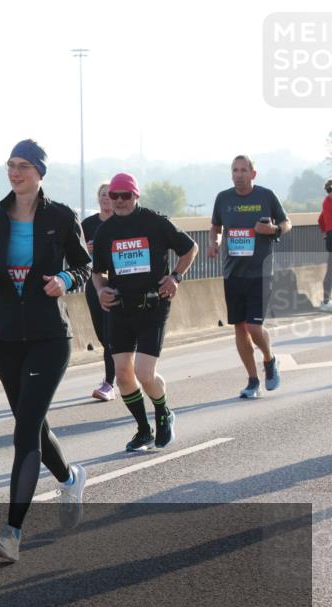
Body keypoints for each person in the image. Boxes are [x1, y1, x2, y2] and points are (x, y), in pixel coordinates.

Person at [0, 139, 91, 563]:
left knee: (24, 433)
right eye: (11, 166)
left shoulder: (60, 216)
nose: (15, 173)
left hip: (49, 337)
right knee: (31, 423)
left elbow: (85, 266)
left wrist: (67, 280)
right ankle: (71, 476)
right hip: (5, 338)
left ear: (40, 172)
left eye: (23, 166)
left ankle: (12, 532)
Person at [91, 173, 198, 452]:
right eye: (114, 196)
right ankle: (143, 430)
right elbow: (97, 272)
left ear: (136, 195)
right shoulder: (105, 231)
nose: (120, 201)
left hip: (153, 305)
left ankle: (164, 413)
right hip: (120, 308)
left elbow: (190, 249)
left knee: (144, 372)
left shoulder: (155, 222)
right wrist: (102, 290)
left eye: (126, 195)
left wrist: (175, 277)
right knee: (124, 374)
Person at [207, 155, 292, 398]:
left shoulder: (266, 196)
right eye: (235, 170)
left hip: (260, 273)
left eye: (244, 170)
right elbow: (215, 228)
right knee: (240, 329)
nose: (239, 174)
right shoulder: (223, 199)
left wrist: (274, 229)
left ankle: (269, 359)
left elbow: (287, 223)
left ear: (253, 174)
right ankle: (253, 380)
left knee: (254, 327)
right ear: (231, 174)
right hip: (233, 274)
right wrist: (214, 243)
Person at [81, 182, 116, 401]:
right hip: (93, 285)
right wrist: (86, 249)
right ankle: (123, 372)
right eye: (102, 194)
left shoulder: (121, 223)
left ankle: (109, 383)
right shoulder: (87, 224)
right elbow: (75, 254)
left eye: (110, 195)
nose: (106, 198)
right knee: (103, 336)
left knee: (112, 334)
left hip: (116, 283)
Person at [319, 178, 332, 313]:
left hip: (330, 236)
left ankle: (326, 300)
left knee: (330, 270)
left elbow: (320, 219)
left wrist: (324, 232)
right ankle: (326, 301)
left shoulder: (326, 202)